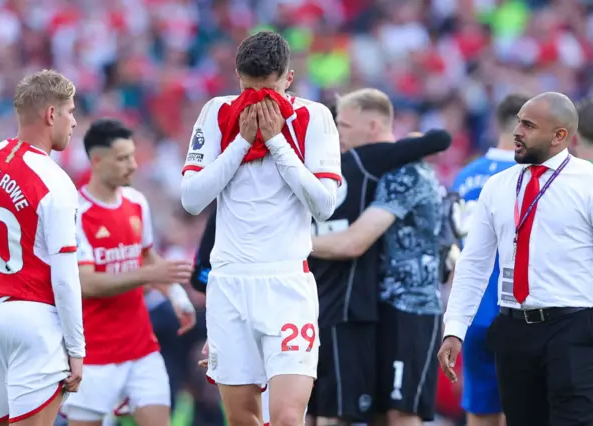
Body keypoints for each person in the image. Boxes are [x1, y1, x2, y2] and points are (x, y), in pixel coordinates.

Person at [180, 31, 341, 426]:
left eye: (267, 91)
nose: (257, 102)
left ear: (288, 79)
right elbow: (192, 198)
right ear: (237, 77)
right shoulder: (217, 113)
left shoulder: (313, 117)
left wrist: (277, 143)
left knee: (287, 417)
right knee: (242, 418)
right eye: (249, 90)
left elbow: (324, 205)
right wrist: (240, 143)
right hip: (230, 286)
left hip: (286, 284)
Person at [439, 92, 593, 426]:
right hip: (513, 326)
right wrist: (455, 329)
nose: (517, 131)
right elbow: (474, 263)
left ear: (559, 136)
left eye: (529, 125)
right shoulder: (497, 185)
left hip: (574, 327)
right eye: (518, 121)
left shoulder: (588, 182)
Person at [304, 89, 451, 426]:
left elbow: (355, 241)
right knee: (378, 413)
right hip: (377, 307)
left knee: (402, 414)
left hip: (410, 309)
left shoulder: (407, 173)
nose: (337, 134)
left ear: (371, 126)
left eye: (344, 125)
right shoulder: (377, 169)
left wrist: (287, 243)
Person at [0, 69, 85, 426]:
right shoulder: (55, 180)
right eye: (70, 111)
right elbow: (64, 276)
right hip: (35, 323)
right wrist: (77, 349)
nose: (73, 122)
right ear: (50, 114)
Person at [60, 118, 196, 426]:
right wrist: (150, 275)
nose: (133, 165)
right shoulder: (76, 213)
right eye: (122, 158)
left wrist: (176, 295)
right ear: (97, 160)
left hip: (141, 347)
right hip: (93, 353)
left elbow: (147, 257)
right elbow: (87, 282)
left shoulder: (136, 202)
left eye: (132, 156)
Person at [452, 93, 529, 426]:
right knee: (527, 409)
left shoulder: (464, 176)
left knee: (481, 412)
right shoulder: (530, 176)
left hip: (473, 310)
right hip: (520, 310)